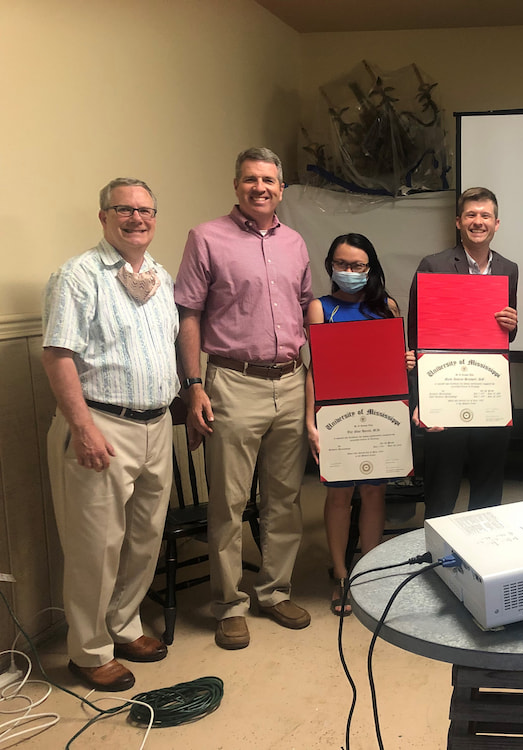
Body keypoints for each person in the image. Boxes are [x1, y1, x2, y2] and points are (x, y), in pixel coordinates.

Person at [175, 147, 313, 650]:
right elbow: (188, 314)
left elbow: (303, 311)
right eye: (252, 179)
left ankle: (274, 592)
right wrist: (193, 386)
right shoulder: (205, 237)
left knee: (285, 498)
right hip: (232, 382)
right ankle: (229, 604)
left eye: (270, 180)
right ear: (237, 185)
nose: (261, 187)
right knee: (229, 503)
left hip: (291, 380)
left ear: (281, 189)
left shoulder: (296, 242)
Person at [42, 178, 178, 691]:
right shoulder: (77, 276)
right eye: (124, 209)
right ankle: (89, 648)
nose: (137, 218)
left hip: (155, 423)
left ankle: (124, 626)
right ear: (104, 217)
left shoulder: (160, 278)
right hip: (102, 425)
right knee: (97, 546)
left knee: (143, 538)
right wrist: (82, 428)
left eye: (146, 210)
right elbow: (57, 355)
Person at [304, 233, 415, 616]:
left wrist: (406, 364)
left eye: (358, 266)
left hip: (381, 413)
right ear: (330, 266)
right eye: (342, 264)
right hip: (336, 416)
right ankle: (340, 574)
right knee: (338, 497)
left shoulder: (387, 306)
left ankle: (369, 571)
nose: (349, 272)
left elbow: (393, 363)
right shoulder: (320, 308)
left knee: (373, 493)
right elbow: (314, 369)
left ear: (370, 268)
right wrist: (310, 422)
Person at [407, 187, 518, 518]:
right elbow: (417, 337)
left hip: (489, 394)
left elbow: (503, 338)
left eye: (485, 215)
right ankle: (436, 560)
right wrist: (420, 400)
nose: (478, 221)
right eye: (471, 215)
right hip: (445, 392)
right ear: (458, 221)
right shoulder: (434, 265)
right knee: (442, 491)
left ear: (497, 223)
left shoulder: (508, 269)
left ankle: (482, 561)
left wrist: (511, 324)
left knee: (488, 489)